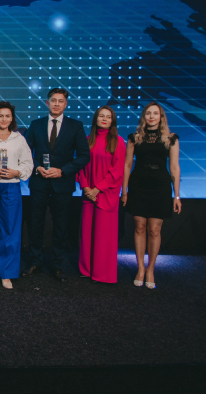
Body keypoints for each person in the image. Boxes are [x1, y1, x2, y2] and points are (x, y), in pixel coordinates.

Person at [22, 88, 90, 283]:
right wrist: (37, 168)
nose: (57, 104)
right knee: (36, 224)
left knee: (61, 226)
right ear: (47, 103)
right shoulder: (36, 125)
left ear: (65, 104)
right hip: (39, 182)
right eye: (53, 100)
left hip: (63, 183)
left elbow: (84, 156)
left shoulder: (75, 126)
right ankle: (35, 262)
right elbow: (26, 152)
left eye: (60, 101)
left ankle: (56, 264)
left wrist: (63, 171)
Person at [122, 102, 181, 289]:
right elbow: (127, 165)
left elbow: (174, 167)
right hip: (138, 185)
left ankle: (150, 270)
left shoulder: (171, 139)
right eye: (148, 113)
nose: (151, 116)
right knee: (139, 227)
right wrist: (124, 191)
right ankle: (140, 268)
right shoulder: (134, 138)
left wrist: (177, 196)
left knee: (154, 230)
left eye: (155, 113)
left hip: (160, 187)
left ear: (161, 117)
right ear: (144, 116)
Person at [0, 102, 33, 289]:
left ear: (12, 119)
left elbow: (28, 163)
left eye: (7, 116)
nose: (4, 119)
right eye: (0, 116)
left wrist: (16, 172)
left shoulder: (19, 139)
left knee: (10, 231)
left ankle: (7, 273)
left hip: (11, 187)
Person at [77, 105, 126, 284]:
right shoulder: (87, 140)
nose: (104, 119)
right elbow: (80, 165)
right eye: (101, 116)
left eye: (108, 117)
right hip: (88, 194)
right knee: (87, 234)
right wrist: (85, 188)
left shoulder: (118, 142)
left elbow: (117, 171)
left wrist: (97, 189)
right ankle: (87, 269)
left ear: (112, 121)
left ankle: (102, 273)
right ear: (96, 118)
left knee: (103, 237)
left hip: (106, 194)